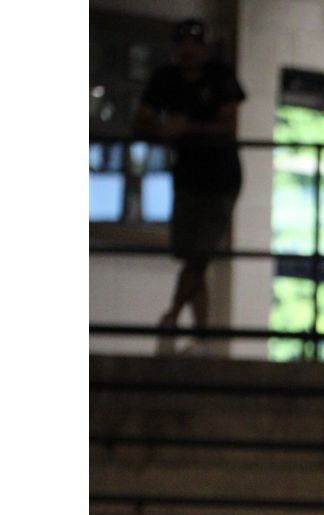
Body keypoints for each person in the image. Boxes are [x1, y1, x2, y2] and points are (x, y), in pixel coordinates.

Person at [133, 19, 247, 353]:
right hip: (186, 178)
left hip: (220, 179)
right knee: (193, 259)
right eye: (182, 43)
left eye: (194, 43)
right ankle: (202, 337)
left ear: (205, 47)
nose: (188, 50)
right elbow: (141, 119)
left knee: (199, 256)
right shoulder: (165, 78)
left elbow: (228, 125)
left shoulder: (220, 75)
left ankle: (171, 318)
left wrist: (185, 128)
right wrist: (163, 128)